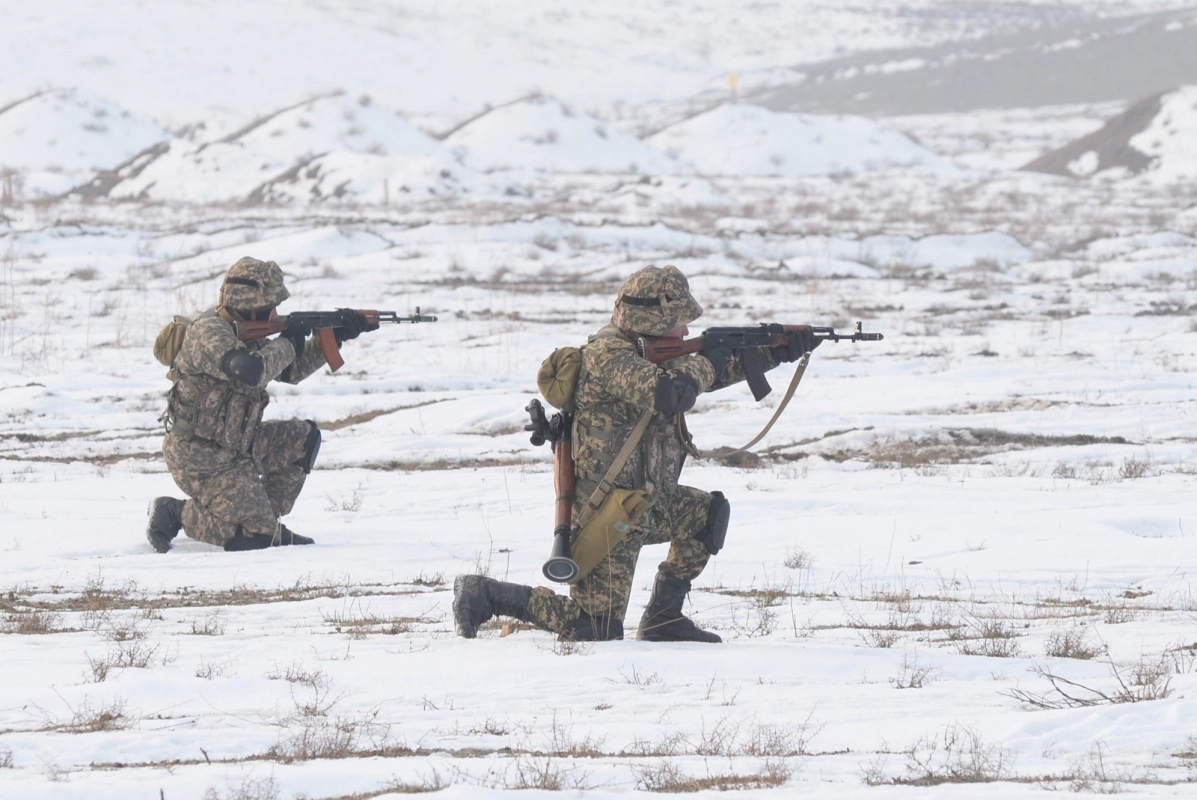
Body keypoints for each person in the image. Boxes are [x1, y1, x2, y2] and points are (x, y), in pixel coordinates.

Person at [452, 264, 818, 642]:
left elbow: (714, 371)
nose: (686, 331)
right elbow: (673, 392)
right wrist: (708, 360)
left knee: (708, 516)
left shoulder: (652, 351)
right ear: (652, 321)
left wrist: (778, 353)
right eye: (678, 321)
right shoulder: (609, 357)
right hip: (609, 513)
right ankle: (485, 595)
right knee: (595, 628)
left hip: (648, 502)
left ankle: (664, 618)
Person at [145, 257, 376, 552]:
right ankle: (175, 513)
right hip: (200, 459)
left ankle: (262, 519)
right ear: (250, 304)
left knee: (303, 439)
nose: (276, 312)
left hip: (239, 448)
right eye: (271, 305)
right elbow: (250, 370)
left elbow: (290, 370)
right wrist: (289, 341)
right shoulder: (209, 333)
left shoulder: (248, 330)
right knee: (255, 538)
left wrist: (333, 337)